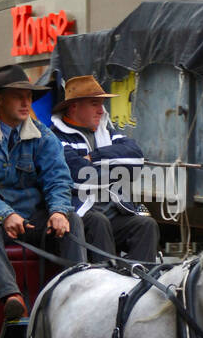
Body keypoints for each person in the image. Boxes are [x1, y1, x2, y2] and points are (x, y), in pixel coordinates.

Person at [0, 64, 86, 320]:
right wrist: (5, 215)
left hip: (33, 222)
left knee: (72, 219)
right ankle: (11, 298)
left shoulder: (44, 137)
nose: (26, 102)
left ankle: (78, 293)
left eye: (29, 96)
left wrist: (58, 211)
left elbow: (58, 179)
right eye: (18, 96)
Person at [51, 74, 160, 264]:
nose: (101, 111)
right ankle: (107, 282)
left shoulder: (107, 132)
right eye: (95, 104)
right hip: (78, 215)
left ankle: (139, 283)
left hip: (114, 210)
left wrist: (94, 158)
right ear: (74, 106)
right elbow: (79, 177)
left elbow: (136, 158)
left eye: (102, 104)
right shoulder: (55, 138)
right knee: (98, 221)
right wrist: (116, 169)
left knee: (146, 224)